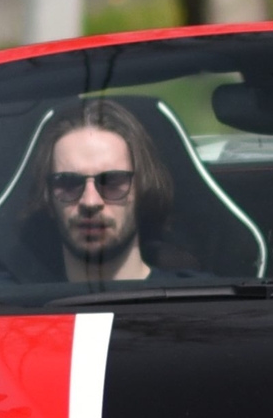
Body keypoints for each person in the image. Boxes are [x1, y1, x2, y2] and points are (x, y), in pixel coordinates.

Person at [28, 99, 174, 283]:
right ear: (47, 196)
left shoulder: (202, 299)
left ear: (143, 189)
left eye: (111, 181)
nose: (90, 202)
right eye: (68, 183)